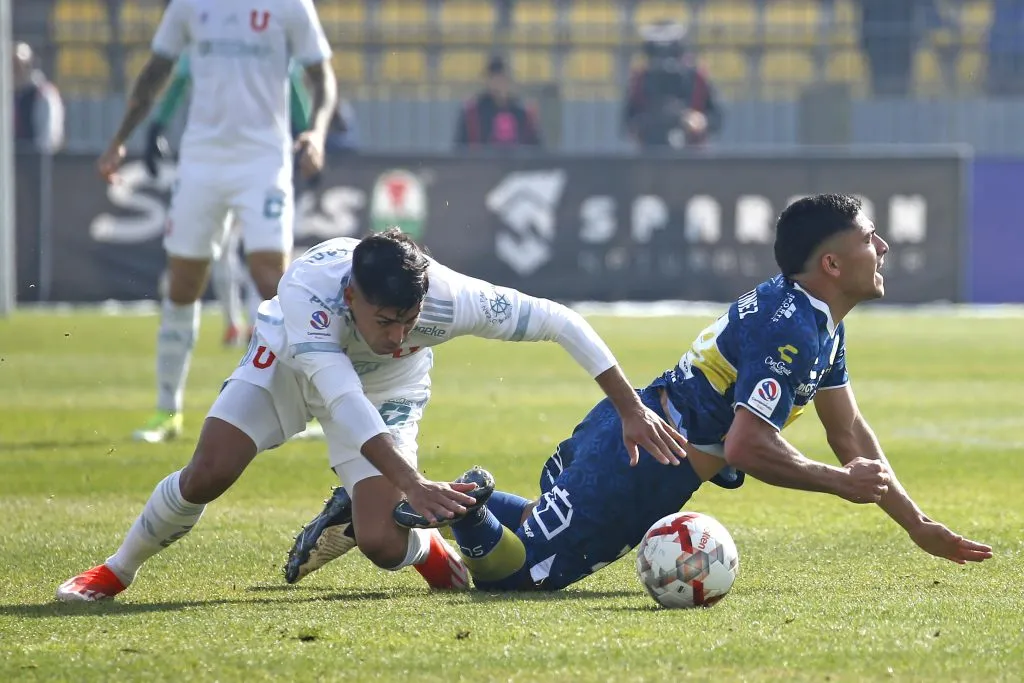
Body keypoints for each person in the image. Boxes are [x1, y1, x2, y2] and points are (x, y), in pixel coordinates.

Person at [284, 195, 992, 592]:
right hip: (644, 457)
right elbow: (751, 443)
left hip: (646, 449)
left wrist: (916, 522)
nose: (886, 249)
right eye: (873, 239)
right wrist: (843, 486)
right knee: (520, 578)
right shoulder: (793, 329)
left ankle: (426, 502)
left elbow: (851, 435)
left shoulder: (817, 324)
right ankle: (452, 501)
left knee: (533, 534)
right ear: (833, 262)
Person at [55, 228, 688, 601]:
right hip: (293, 363)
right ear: (352, 296)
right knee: (208, 474)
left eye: (409, 322)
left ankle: (415, 544)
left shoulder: (449, 300)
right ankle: (117, 569)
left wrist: (629, 408)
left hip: (390, 389)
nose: (397, 333)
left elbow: (559, 320)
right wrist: (412, 485)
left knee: (384, 543)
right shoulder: (308, 295)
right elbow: (341, 402)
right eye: (385, 321)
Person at [94, 0, 338, 445]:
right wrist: (119, 140)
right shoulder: (189, 5)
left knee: (273, 280)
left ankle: (312, 402)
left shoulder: (290, 7)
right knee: (183, 283)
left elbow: (322, 78)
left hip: (264, 161)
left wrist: (317, 132)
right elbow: (156, 70)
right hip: (201, 161)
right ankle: (168, 410)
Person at [142, 52, 314, 348]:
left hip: (241, 160)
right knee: (239, 249)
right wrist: (305, 131)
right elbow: (295, 85)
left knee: (248, 251)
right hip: (247, 160)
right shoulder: (257, 28)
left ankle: (241, 321)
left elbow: (180, 78)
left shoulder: (215, 26)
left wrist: (158, 123)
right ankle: (240, 321)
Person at [622, 20, 722, 150]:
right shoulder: (640, 80)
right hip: (650, 151)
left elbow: (716, 117)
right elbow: (627, 121)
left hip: (692, 153)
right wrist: (646, 122)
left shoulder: (697, 78)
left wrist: (700, 121)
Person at [453, 55, 542, 149]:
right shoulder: (472, 113)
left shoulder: (524, 114)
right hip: (482, 163)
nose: (499, 83)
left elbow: (537, 151)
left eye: (502, 78)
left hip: (517, 163)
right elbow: (460, 150)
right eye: (495, 78)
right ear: (487, 81)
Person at [12, 42, 65, 154]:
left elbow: (49, 137)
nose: (16, 71)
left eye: (19, 66)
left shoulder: (43, 93)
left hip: (32, 159)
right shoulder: (11, 94)